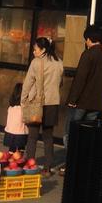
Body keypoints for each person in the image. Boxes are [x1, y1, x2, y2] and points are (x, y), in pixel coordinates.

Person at [21, 37, 63, 174]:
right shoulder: (59, 63)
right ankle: (47, 167)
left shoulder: (36, 63)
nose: (34, 52)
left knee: (32, 136)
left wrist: (23, 100)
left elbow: (27, 83)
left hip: (36, 103)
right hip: (53, 103)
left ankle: (30, 165)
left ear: (43, 49)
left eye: (35, 49)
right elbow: (60, 83)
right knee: (48, 136)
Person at [66, 25, 102, 124]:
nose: (86, 42)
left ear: (89, 39)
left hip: (82, 101)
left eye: (86, 40)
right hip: (97, 101)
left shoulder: (88, 54)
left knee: (72, 129)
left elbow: (80, 78)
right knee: (87, 131)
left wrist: (72, 100)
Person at [4, 83, 28, 152]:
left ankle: (11, 160)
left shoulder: (11, 107)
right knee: (20, 149)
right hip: (21, 133)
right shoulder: (23, 108)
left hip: (9, 132)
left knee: (11, 150)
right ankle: (19, 160)